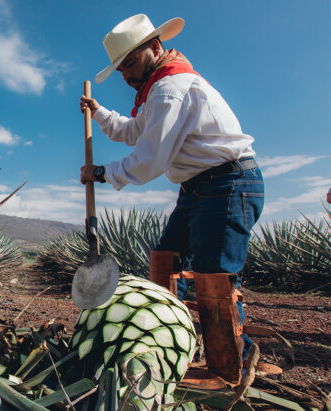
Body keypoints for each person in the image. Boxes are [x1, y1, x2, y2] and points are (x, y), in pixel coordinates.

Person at [79, 14, 264, 385]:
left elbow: (149, 160)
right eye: (121, 69)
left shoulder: (169, 89)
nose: (126, 75)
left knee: (214, 276)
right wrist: (98, 113)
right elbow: (133, 132)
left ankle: (231, 369)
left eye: (130, 63)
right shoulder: (155, 93)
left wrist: (100, 173)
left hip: (227, 183)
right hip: (199, 188)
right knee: (166, 262)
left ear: (155, 47)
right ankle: (171, 343)